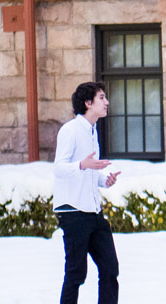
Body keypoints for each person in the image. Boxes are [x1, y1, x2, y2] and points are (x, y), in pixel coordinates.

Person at [54, 82, 122, 304]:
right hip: (72, 212)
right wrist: (83, 165)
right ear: (88, 103)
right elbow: (59, 169)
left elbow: (88, 172)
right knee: (76, 273)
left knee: (110, 268)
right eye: (102, 97)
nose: (106, 102)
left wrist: (104, 179)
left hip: (93, 212)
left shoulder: (93, 132)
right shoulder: (70, 130)